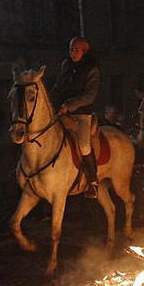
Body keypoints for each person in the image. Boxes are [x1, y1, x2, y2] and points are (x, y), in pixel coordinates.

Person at [50, 36, 101, 198]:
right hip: (63, 113)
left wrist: (69, 105)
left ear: (84, 52)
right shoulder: (66, 65)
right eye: (71, 50)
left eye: (76, 50)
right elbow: (58, 87)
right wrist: (49, 103)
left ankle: (93, 181)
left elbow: (89, 95)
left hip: (81, 115)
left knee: (84, 145)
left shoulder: (92, 69)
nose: (72, 53)